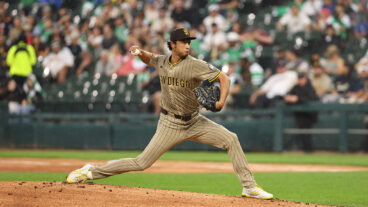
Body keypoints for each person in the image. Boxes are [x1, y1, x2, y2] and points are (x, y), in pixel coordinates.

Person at [66, 28, 273, 200]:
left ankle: (249, 187)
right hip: (169, 123)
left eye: (189, 42)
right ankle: (91, 171)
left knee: (231, 139)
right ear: (172, 44)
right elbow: (151, 59)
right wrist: (139, 52)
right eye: (183, 42)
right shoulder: (163, 62)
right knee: (141, 163)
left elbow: (224, 79)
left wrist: (220, 102)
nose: (187, 45)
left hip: (194, 121)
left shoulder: (195, 64)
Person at [284, 72, 319, 152]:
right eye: (299, 79)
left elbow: (310, 99)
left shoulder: (310, 88)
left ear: (305, 79)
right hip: (299, 116)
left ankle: (309, 150)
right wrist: (289, 98)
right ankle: (306, 150)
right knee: (303, 134)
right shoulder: (296, 87)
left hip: (309, 116)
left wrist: (297, 98)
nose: (300, 80)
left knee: (307, 134)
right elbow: (288, 97)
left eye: (302, 78)